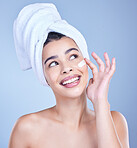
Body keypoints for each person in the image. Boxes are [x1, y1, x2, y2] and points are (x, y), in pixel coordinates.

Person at [9, 3, 130, 148]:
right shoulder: (27, 128)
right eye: (53, 63)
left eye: (73, 56)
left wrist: (100, 102)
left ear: (85, 61)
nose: (66, 68)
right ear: (44, 77)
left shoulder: (114, 121)